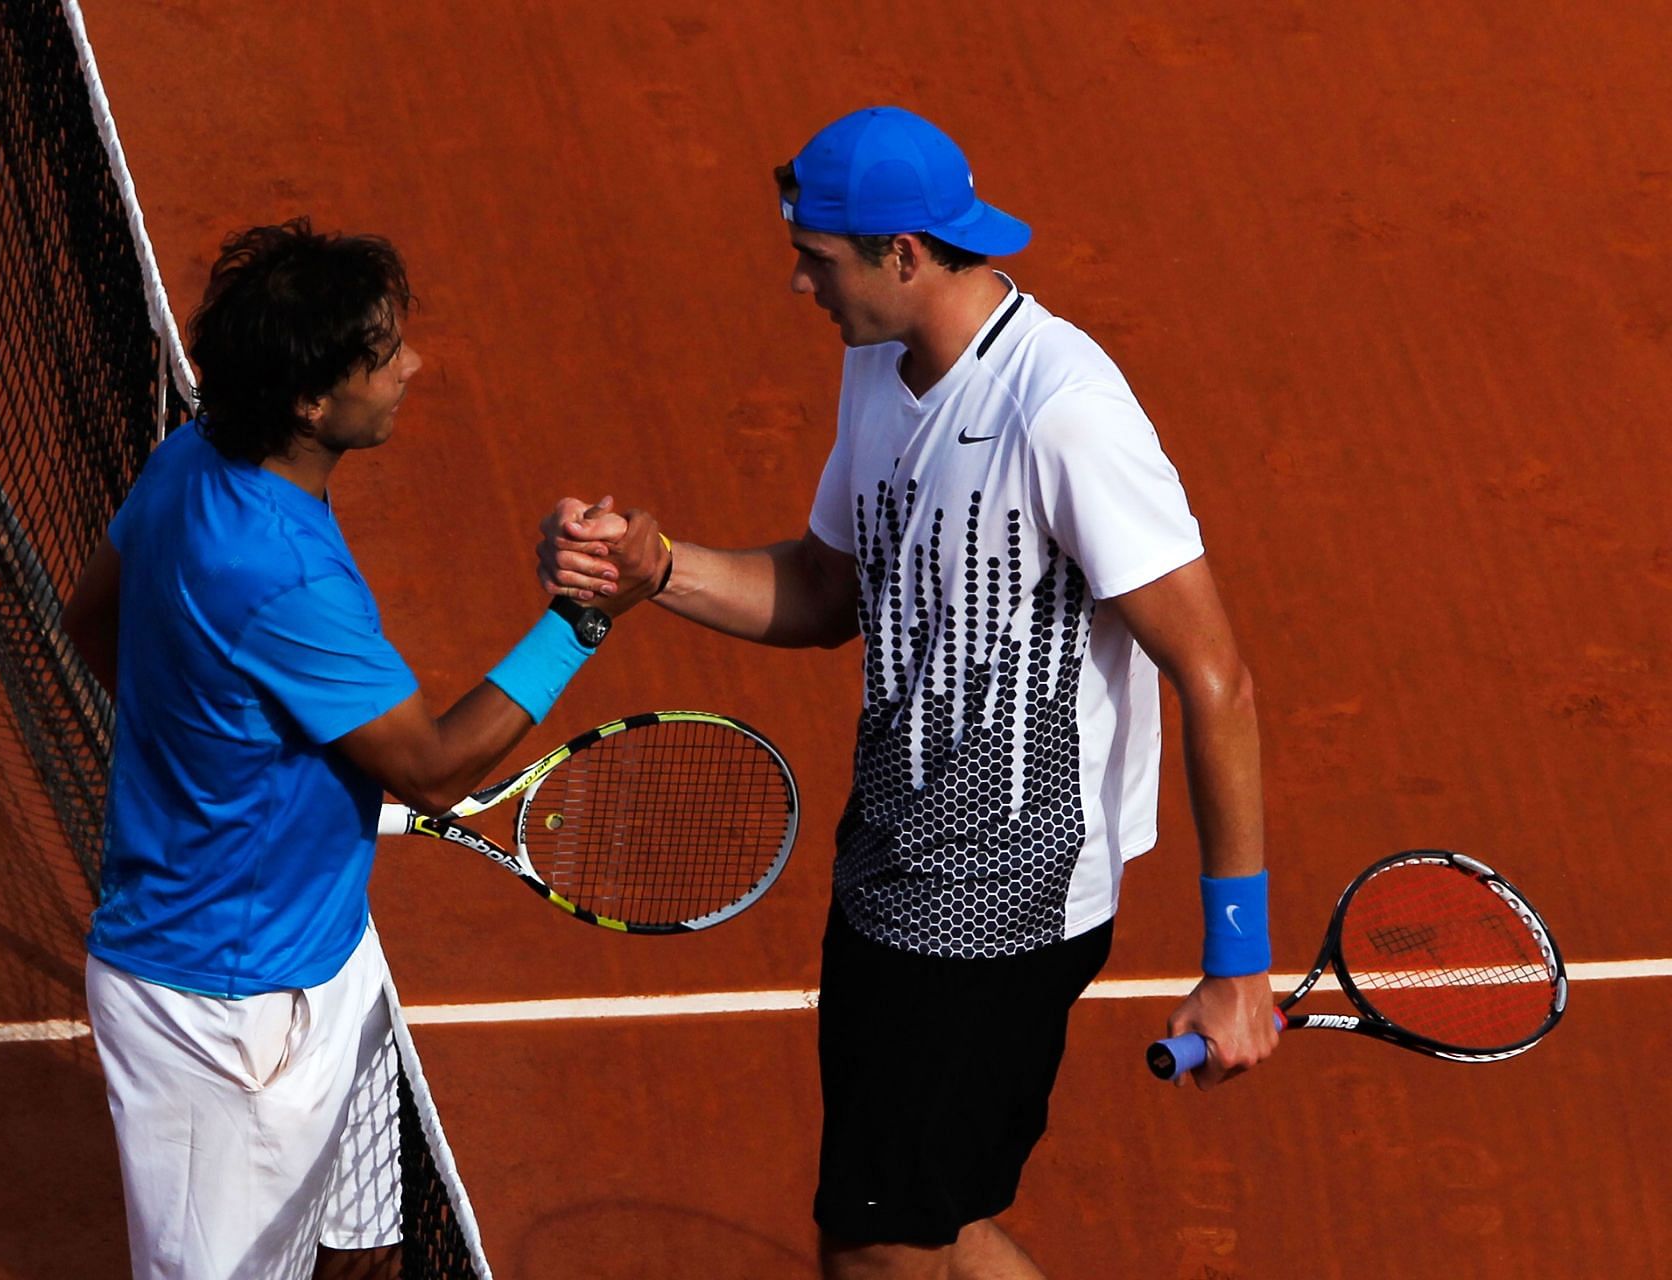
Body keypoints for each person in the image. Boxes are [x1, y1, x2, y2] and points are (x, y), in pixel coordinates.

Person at [537, 107, 1279, 1280]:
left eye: (817, 258)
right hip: (889, 864)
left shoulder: (1062, 410)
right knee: (932, 1218)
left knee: (878, 1243)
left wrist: (1238, 963)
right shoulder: (881, 369)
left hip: (1000, 900)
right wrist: (657, 569)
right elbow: (833, 586)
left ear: (904, 253)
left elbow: (1217, 677)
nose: (797, 283)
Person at [62, 218, 657, 1280]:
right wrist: (578, 621)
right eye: (383, 356)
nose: (410, 367)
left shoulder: (191, 457)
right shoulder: (283, 573)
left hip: (324, 949)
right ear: (310, 399)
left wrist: (224, 767)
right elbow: (430, 764)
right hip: (230, 1016)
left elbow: (90, 622)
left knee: (369, 1250)